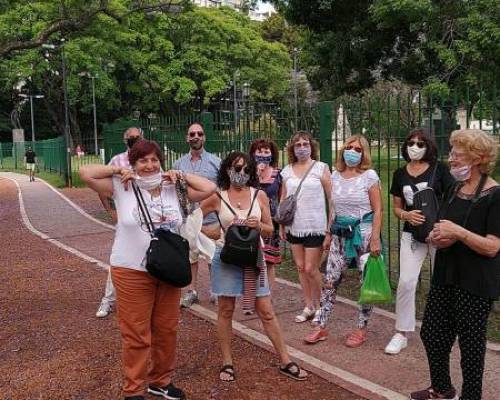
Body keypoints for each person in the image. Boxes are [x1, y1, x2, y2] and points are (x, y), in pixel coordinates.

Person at [79, 140, 216, 400]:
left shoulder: (174, 187)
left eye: (154, 160)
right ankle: (134, 389)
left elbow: (210, 187)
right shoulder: (122, 186)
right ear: (134, 163)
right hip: (131, 270)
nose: (150, 165)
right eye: (143, 160)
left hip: (168, 269)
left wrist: (181, 175)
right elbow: (85, 173)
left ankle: (160, 381)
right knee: (136, 334)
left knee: (167, 329)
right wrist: (117, 171)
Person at [201, 151, 308, 382]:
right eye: (236, 168)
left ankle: (285, 359)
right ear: (227, 169)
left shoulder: (259, 195)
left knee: (266, 311)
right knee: (225, 310)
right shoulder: (217, 197)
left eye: (245, 169)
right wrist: (211, 232)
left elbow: (270, 228)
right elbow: (193, 220)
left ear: (251, 173)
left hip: (253, 258)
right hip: (226, 258)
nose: (240, 173)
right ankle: (227, 362)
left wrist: (258, 224)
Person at [410, 129, 500, 400]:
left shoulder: (495, 195)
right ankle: (441, 387)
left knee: (471, 346)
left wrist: (458, 233)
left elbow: (493, 246)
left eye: (458, 155)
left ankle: (471, 396)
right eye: (452, 153)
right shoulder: (454, 188)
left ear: (477, 158)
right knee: (432, 332)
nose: (452, 159)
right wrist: (438, 236)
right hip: (446, 274)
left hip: (475, 281)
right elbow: (443, 226)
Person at [304, 135, 383, 346]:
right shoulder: (336, 175)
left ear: (363, 153)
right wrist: (328, 233)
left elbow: (378, 210)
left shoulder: (369, 176)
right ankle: (321, 326)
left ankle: (361, 329)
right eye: (349, 147)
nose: (352, 151)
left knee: (364, 283)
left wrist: (375, 238)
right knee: (330, 281)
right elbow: (334, 207)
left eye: (357, 149)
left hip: (363, 236)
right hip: (339, 235)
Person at [385, 129, 454, 355]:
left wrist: (444, 223)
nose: (415, 146)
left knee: (443, 281)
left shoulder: (440, 169)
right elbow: (396, 207)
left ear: (428, 146)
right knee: (406, 281)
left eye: (420, 143)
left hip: (438, 232)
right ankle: (402, 332)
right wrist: (406, 215)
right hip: (411, 234)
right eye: (411, 143)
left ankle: (444, 327)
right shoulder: (399, 173)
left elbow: (453, 196)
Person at [280, 131, 332, 325]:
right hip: (295, 226)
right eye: (298, 145)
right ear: (292, 149)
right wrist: (282, 226)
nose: (302, 148)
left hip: (315, 226)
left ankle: (321, 306)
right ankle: (308, 305)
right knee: (301, 268)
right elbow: (284, 199)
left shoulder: (321, 168)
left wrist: (329, 229)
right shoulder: (287, 170)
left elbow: (331, 199)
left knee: (312, 268)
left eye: (305, 144)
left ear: (312, 147)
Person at [95, 127, 144, 318]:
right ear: (125, 140)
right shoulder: (117, 161)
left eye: (137, 137)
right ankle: (107, 300)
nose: (134, 140)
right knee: (118, 258)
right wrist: (110, 210)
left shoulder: (147, 158)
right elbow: (99, 182)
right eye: (130, 138)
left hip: (147, 218)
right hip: (125, 218)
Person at [175, 122, 221, 308]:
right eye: (192, 133)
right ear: (187, 138)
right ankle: (191, 291)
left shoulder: (216, 162)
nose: (196, 136)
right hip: (187, 218)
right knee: (190, 256)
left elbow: (222, 191)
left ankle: (216, 290)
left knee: (213, 255)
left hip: (210, 218)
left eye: (199, 133)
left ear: (204, 137)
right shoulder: (178, 164)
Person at [249, 138, 282, 290]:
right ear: (253, 154)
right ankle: (253, 294)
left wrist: (282, 226)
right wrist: (257, 173)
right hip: (253, 222)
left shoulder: (278, 174)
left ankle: (268, 294)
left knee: (269, 261)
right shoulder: (248, 174)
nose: (263, 154)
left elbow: (282, 199)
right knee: (251, 260)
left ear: (272, 153)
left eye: (266, 151)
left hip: (271, 224)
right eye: (259, 151)